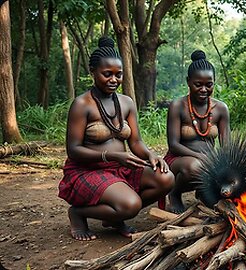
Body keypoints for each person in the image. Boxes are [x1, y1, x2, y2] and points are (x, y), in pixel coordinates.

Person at [58, 37, 175, 241]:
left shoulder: (126, 102)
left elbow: (136, 142)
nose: (114, 80)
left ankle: (114, 215)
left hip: (120, 168)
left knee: (166, 178)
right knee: (131, 205)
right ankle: (79, 213)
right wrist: (110, 155)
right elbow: (73, 150)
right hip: (88, 170)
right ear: (92, 71)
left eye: (118, 75)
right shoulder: (82, 104)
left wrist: (151, 155)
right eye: (107, 74)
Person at [165, 50, 230, 213]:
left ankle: (203, 190)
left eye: (209, 85)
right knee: (195, 167)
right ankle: (175, 193)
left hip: (209, 161)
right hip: (179, 160)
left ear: (214, 82)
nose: (203, 89)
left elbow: (226, 146)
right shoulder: (178, 106)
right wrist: (200, 157)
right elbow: (173, 145)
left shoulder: (221, 109)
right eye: (198, 84)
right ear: (188, 82)